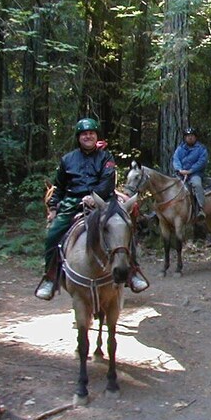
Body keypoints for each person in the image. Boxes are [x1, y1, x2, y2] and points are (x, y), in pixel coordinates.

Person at [35, 118, 149, 300]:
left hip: (103, 202)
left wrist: (94, 196)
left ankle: (132, 272)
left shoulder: (106, 158)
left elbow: (107, 181)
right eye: (84, 134)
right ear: (78, 137)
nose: (88, 136)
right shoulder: (67, 160)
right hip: (72, 202)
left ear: (97, 136)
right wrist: (53, 208)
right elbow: (59, 187)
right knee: (53, 235)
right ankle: (50, 278)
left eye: (91, 133)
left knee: (123, 228)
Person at [172, 127, 209, 219]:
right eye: (188, 136)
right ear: (185, 138)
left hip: (195, 174)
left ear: (195, 137)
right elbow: (176, 159)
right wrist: (179, 169)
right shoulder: (180, 148)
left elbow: (202, 162)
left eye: (192, 136)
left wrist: (190, 171)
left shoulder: (201, 149)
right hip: (180, 173)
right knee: (170, 185)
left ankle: (201, 209)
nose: (190, 138)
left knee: (197, 185)